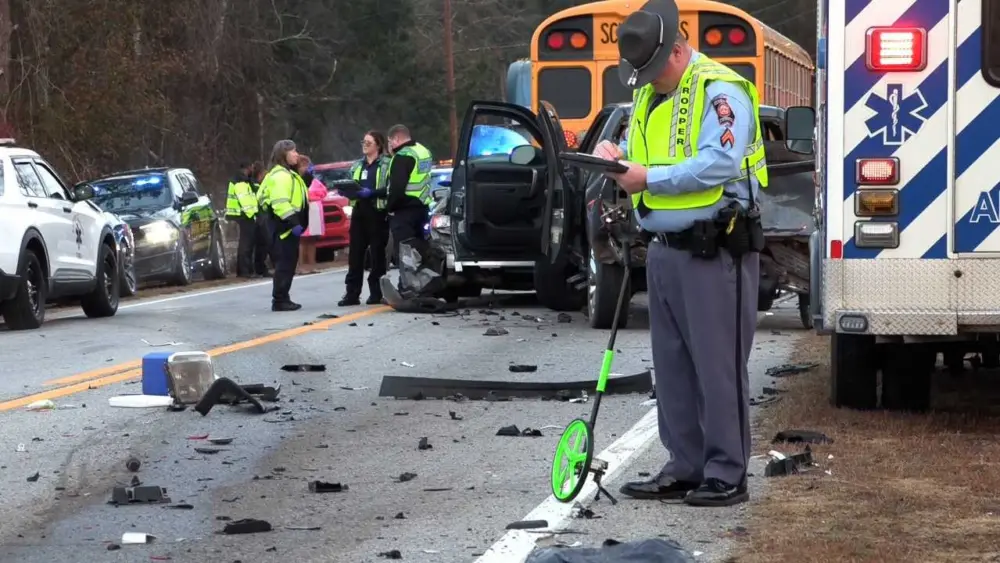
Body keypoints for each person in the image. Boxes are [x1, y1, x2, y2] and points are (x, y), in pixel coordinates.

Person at [593, 0, 767, 507]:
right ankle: (685, 464)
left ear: (676, 50)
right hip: (665, 249)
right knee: (671, 367)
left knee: (717, 365)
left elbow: (719, 162)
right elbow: (647, 158)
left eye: (649, 69)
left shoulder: (721, 91)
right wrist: (618, 162)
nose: (643, 79)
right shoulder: (649, 97)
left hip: (716, 248)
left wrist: (648, 178)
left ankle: (726, 472)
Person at [339, 130, 391, 306]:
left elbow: (391, 188)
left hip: (377, 212)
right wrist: (345, 190)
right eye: (363, 142)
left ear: (378, 145)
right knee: (355, 254)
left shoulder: (386, 164)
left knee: (377, 254)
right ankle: (352, 293)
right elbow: (349, 183)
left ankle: (377, 292)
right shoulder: (357, 166)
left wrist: (373, 193)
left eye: (369, 142)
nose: (365, 145)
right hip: (359, 211)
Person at [259, 139, 309, 311]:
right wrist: (293, 223)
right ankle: (280, 300)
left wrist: (307, 173)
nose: (297, 154)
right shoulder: (281, 176)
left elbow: (300, 192)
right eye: (293, 151)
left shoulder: (285, 174)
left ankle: (283, 297)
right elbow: (281, 203)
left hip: (283, 225)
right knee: (285, 263)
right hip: (283, 226)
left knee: (287, 262)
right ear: (283, 154)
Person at [383, 124, 434, 291]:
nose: (389, 146)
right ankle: (423, 283)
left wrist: (389, 207)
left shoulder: (402, 156)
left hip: (404, 210)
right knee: (420, 247)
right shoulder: (423, 151)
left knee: (405, 250)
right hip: (422, 207)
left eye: (390, 142)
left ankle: (406, 286)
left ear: (396, 139)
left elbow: (397, 188)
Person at [225, 162, 260, 278]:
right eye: (251, 167)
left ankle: (246, 270)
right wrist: (253, 214)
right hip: (244, 215)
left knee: (246, 244)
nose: (252, 170)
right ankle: (244, 271)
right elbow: (245, 200)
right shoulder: (240, 181)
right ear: (247, 168)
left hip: (242, 215)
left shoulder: (242, 179)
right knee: (246, 245)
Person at [294, 155, 322, 275]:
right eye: (303, 165)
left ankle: (311, 265)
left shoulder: (309, 177)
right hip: (300, 209)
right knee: (302, 240)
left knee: (311, 239)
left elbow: (320, 189)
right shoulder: (294, 178)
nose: (305, 168)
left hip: (312, 209)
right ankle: (300, 266)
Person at [249, 161, 272, 277]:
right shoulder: (257, 187)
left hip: (259, 217)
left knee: (261, 244)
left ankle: (260, 268)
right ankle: (260, 268)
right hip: (261, 217)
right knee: (264, 243)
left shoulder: (253, 185)